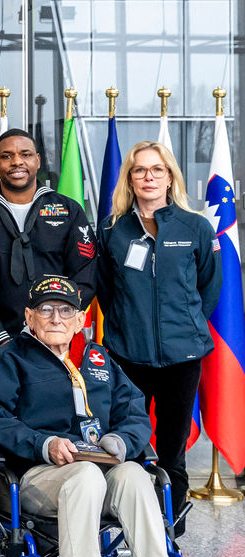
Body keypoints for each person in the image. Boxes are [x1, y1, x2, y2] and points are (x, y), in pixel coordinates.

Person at [0, 274, 218, 557]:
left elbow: (134, 411)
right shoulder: (11, 358)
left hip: (103, 472)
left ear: (81, 318)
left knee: (135, 473)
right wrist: (44, 442)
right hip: (40, 476)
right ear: (29, 317)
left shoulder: (100, 359)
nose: (56, 318)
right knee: (85, 474)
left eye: (65, 310)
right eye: (46, 309)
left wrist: (122, 440)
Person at [96, 141, 221, 517]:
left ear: (170, 177)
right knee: (125, 449)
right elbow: (105, 290)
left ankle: (169, 532)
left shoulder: (195, 227)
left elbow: (208, 288)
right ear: (130, 179)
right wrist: (126, 329)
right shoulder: (112, 230)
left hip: (181, 359)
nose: (148, 177)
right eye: (140, 170)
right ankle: (128, 525)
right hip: (126, 357)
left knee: (172, 453)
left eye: (157, 170)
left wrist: (183, 326)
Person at [0, 128, 96, 369]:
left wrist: (57, 325)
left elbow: (86, 273)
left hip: (57, 341)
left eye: (25, 154)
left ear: (37, 161)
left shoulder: (68, 210)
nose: (17, 161)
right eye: (7, 156)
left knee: (57, 406)